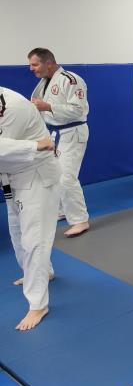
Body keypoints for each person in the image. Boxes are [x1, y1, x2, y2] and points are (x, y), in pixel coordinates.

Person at [0, 87, 61, 330]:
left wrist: (34, 147)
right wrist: (35, 145)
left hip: (36, 174)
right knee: (16, 229)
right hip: (11, 175)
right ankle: (43, 272)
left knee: (34, 239)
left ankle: (38, 304)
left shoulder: (10, 106)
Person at [27, 48, 90, 238]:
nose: (31, 69)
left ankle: (80, 220)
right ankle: (63, 209)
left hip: (72, 132)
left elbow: (78, 110)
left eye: (35, 64)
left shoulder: (71, 80)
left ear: (48, 63)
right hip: (55, 132)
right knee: (54, 174)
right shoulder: (44, 81)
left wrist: (48, 106)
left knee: (66, 177)